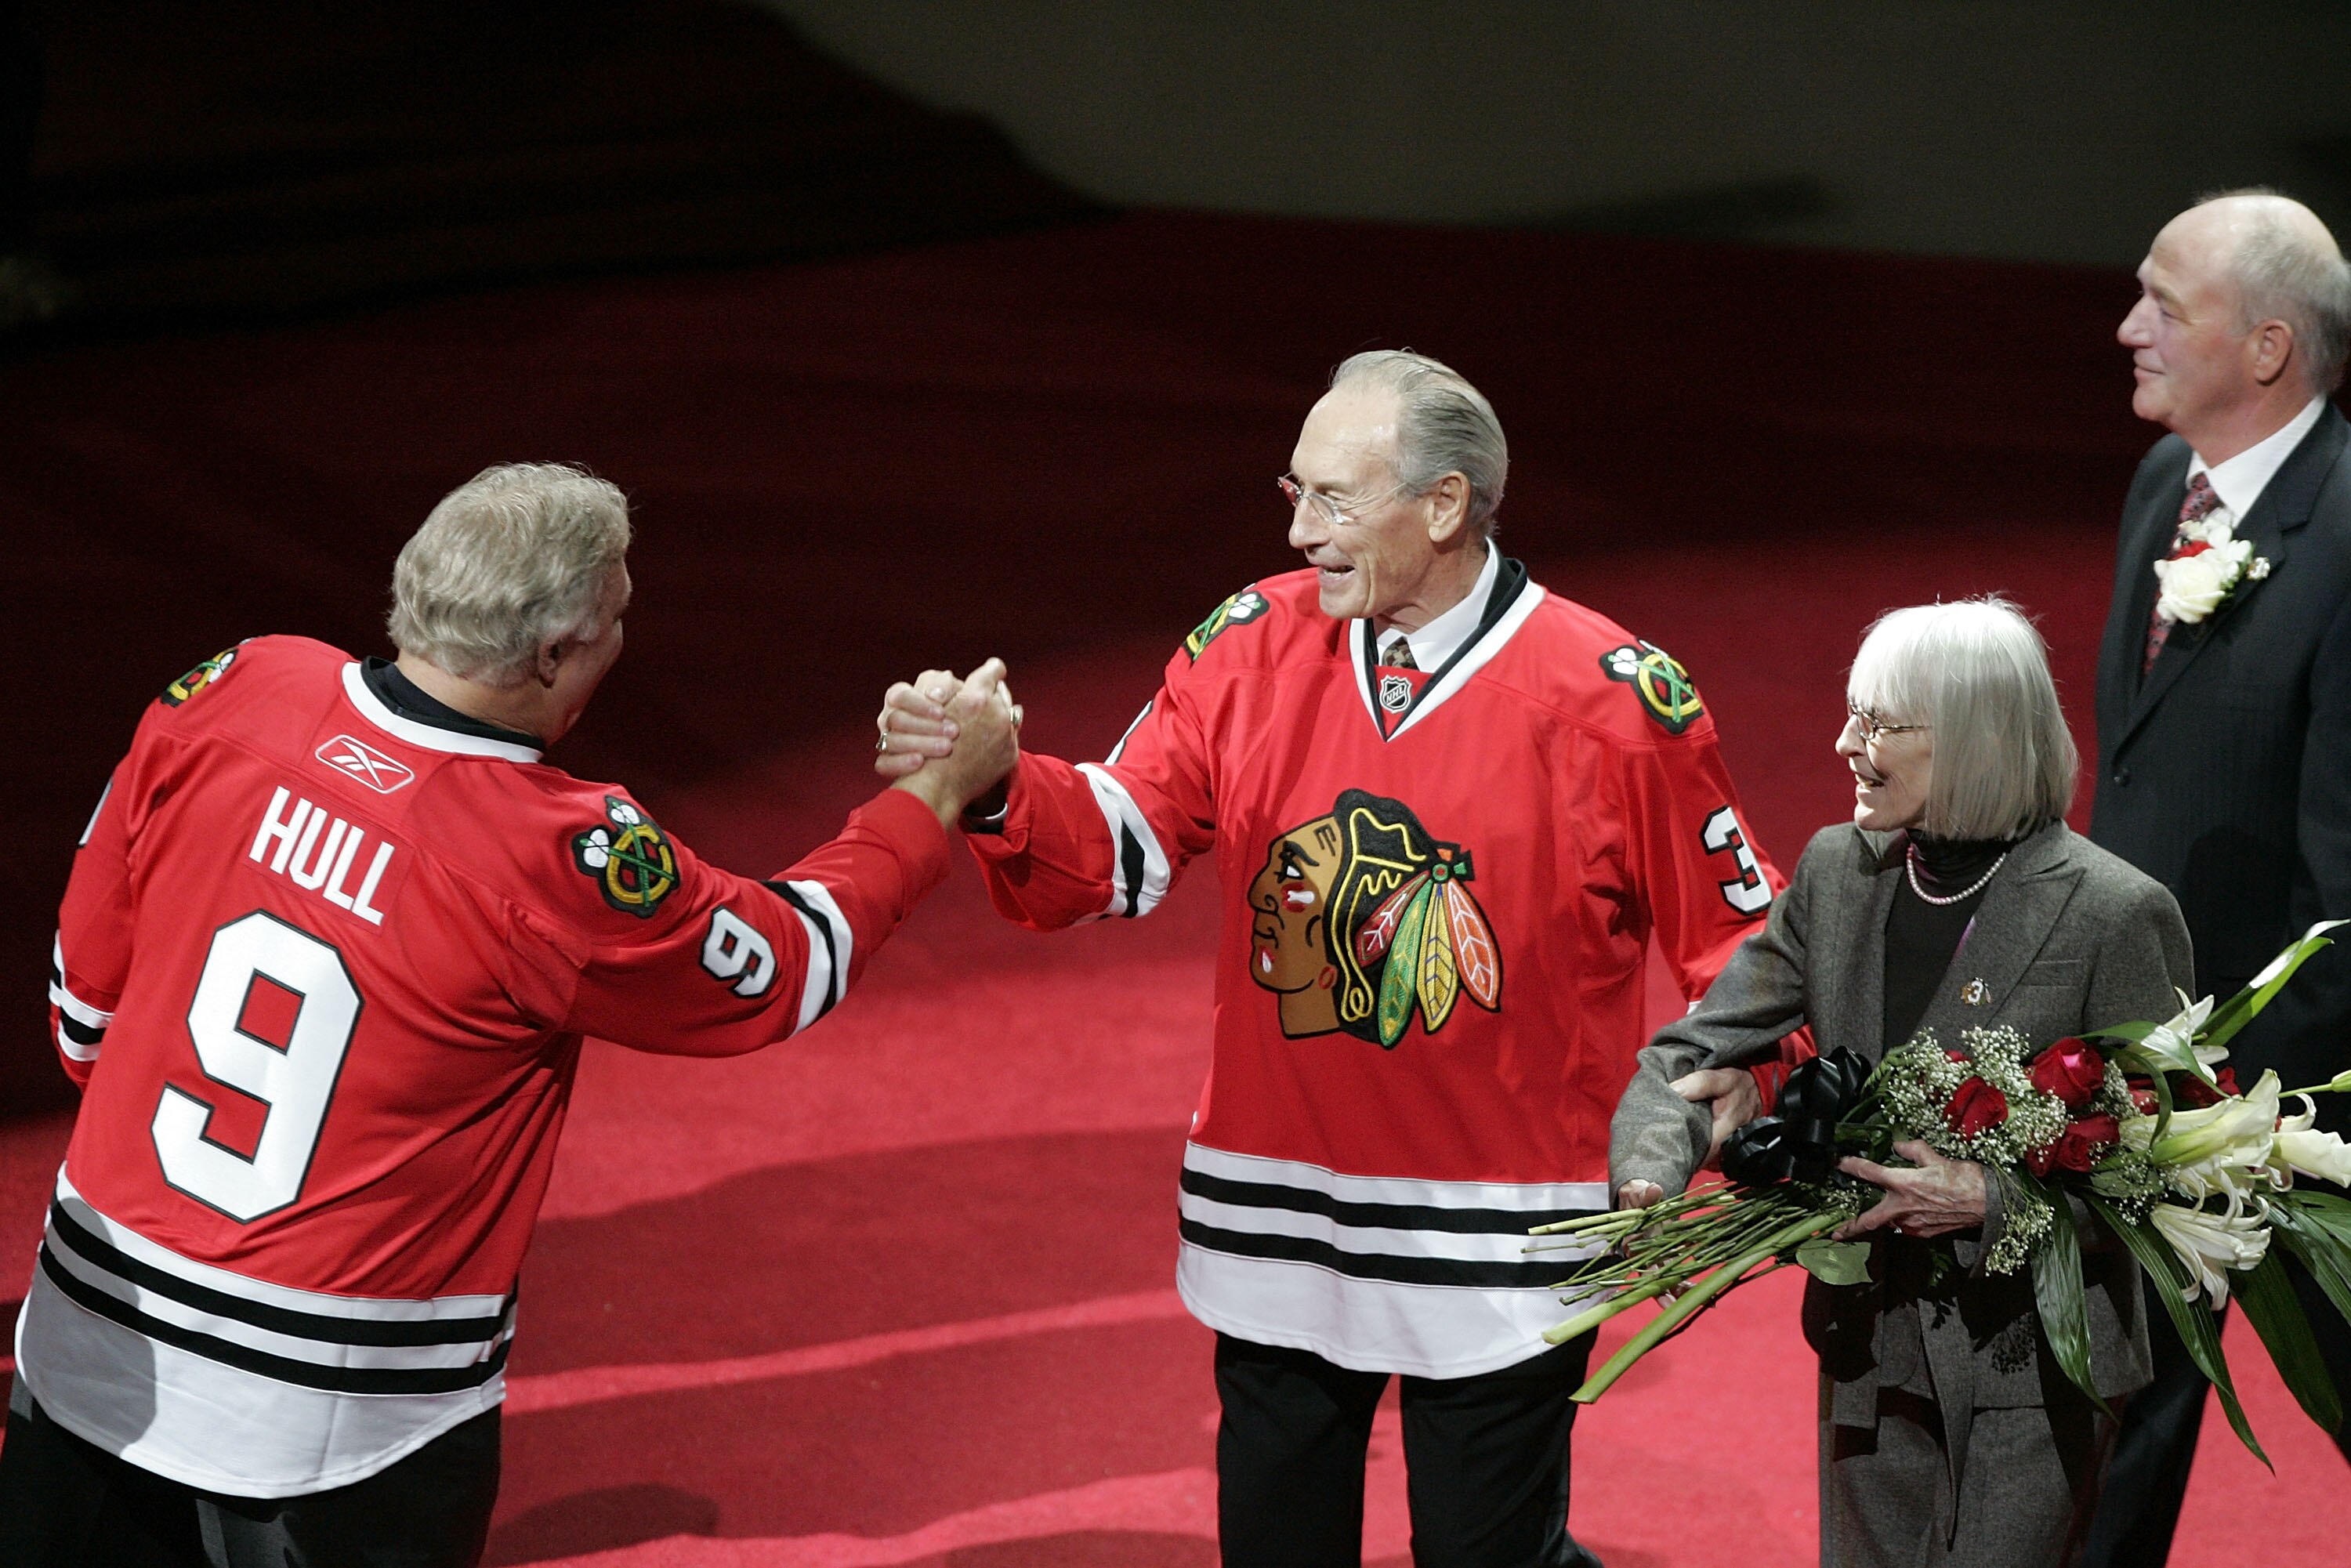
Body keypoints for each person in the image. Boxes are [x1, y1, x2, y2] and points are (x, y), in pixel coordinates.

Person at [5, 463, 1018, 1566]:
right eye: (617, 619)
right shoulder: (557, 855)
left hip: (88, 1340)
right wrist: (932, 798)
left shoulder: (238, 686)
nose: (624, 643)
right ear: (551, 654)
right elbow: (783, 964)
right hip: (344, 1424)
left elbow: (85, 1003)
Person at [875, 349, 1782, 1567]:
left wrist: (1762, 1087)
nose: (1300, 530)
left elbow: (1743, 941)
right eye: (1293, 493)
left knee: (1485, 1556)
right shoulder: (1245, 645)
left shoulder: (1613, 697)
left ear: (1446, 505)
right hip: (1278, 1208)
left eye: (1334, 501)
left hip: (1505, 1232)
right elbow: (1123, 843)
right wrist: (997, 788)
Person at [1612, 599, 2191, 1568]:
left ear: (1976, 738)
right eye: (1852, 715)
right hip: (1866, 1333)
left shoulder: (2116, 912)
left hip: (2030, 1353)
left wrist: (1984, 1198)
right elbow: (1692, 1051)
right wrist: (1650, 1170)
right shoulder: (1842, 871)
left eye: (1879, 724)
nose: (1846, 743)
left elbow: (2165, 1173)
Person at [2080, 189, 2351, 1565]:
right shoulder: (2161, 484)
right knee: (2116, 1401)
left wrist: (2240, 1099)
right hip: (2142, 1066)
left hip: (2284, 1090)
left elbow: (2348, 871)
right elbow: (2130, 783)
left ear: (2265, 349)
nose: (2128, 328)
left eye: (2163, 307)